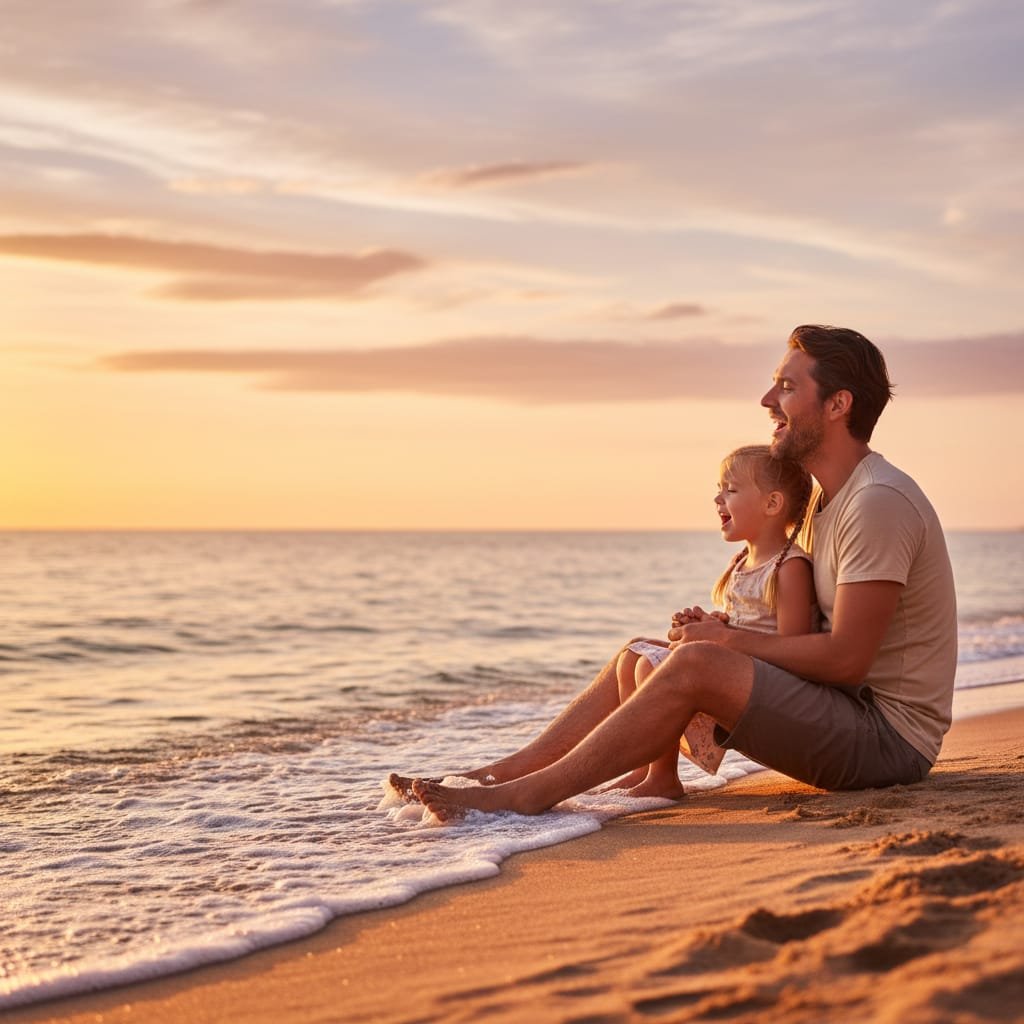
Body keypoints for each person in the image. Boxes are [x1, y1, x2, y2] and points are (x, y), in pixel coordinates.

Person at [408, 325, 958, 821]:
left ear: (839, 404)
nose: (768, 400)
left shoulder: (876, 503)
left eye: (787, 388)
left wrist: (726, 642)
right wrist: (726, 631)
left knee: (696, 661)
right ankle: (498, 775)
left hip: (886, 741)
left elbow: (845, 659)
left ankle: (530, 794)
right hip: (844, 715)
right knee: (644, 651)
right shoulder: (822, 505)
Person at [610, 444, 815, 799]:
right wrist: (708, 624)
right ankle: (641, 767)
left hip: (765, 689)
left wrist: (721, 639)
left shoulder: (789, 568)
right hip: (738, 666)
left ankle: (664, 778)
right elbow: (745, 625)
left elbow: (793, 648)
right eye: (718, 490)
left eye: (731, 490)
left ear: (771, 504)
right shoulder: (741, 561)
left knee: (650, 667)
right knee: (632, 657)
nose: (718, 499)